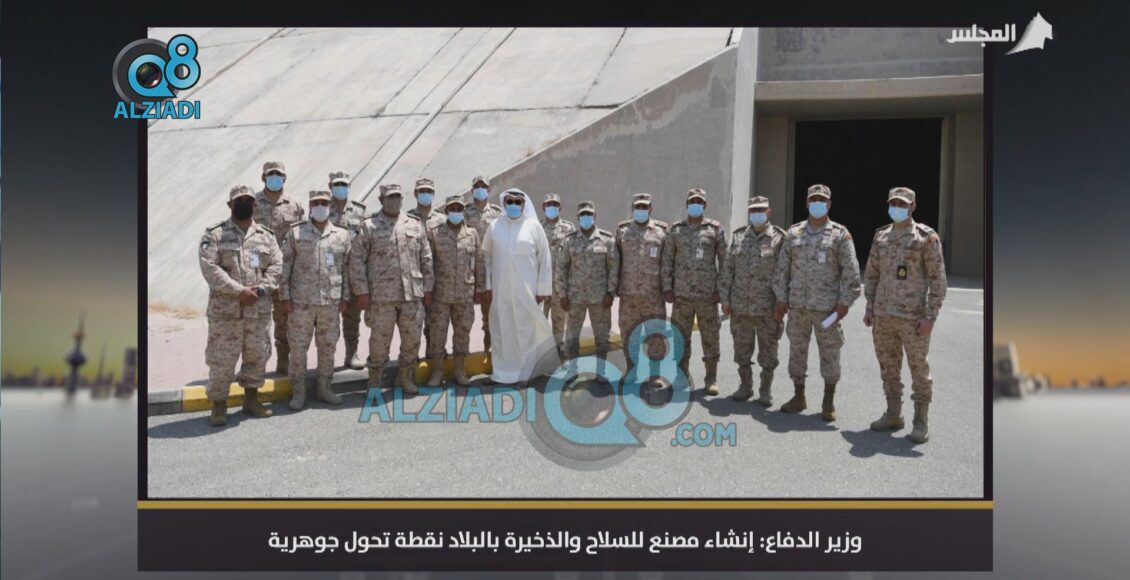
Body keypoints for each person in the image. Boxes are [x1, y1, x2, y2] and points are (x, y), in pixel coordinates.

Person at [863, 187, 947, 443]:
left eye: (902, 204)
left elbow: (938, 280)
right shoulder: (881, 236)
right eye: (894, 203)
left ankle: (920, 421)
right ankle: (893, 414)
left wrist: (930, 316)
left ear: (912, 207)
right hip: (883, 315)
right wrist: (869, 306)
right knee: (888, 367)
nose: (897, 207)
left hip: (913, 318)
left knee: (919, 369)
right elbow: (872, 273)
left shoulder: (926, 238)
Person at [773, 184, 862, 421]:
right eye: (813, 199)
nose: (817, 203)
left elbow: (852, 274)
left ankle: (828, 401)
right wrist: (781, 297)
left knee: (830, 353)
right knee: (797, 352)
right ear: (806, 203)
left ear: (829, 204)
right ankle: (798, 396)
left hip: (828, 311)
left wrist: (843, 305)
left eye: (822, 199)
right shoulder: (793, 233)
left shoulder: (840, 234)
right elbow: (782, 270)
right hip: (798, 308)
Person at [198, 185, 282, 427]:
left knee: (257, 355)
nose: (244, 204)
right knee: (221, 360)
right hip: (226, 313)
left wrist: (262, 288)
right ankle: (219, 405)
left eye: (248, 200)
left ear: (255, 205)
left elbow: (277, 264)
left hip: (257, 311)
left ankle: (251, 401)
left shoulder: (266, 236)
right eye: (239, 201)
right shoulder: (214, 234)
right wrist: (239, 291)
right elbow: (210, 268)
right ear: (230, 205)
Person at [349, 184, 434, 395]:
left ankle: (405, 378)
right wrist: (362, 292)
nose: (394, 201)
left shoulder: (414, 224)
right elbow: (357, 260)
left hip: (411, 295)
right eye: (389, 197)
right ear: (381, 200)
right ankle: (375, 381)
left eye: (397, 197)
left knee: (412, 339)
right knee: (379, 342)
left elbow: (426, 257)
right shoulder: (369, 226)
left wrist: (428, 288)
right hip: (381, 297)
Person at [280, 190, 352, 410]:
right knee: (298, 347)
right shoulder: (296, 232)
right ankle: (298, 390)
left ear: (330, 206)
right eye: (316, 203)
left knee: (327, 346)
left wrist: (345, 296)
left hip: (330, 302)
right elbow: (285, 266)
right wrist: (284, 295)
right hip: (301, 302)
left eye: (324, 203)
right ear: (310, 206)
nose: (320, 206)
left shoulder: (341, 235)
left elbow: (346, 268)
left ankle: (324, 387)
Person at [481, 188, 555, 385]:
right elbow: (486, 257)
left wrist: (542, 289)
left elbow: (544, 258)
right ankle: (501, 373)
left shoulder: (533, 226)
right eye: (510, 201)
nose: (513, 205)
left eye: (517, 202)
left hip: (527, 291)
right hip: (501, 290)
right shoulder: (494, 226)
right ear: (504, 204)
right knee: (502, 331)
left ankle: (526, 373)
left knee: (525, 331)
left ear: (524, 204)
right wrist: (488, 285)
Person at [720, 196, 786, 405]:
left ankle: (765, 390)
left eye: (761, 210)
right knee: (742, 350)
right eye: (753, 210)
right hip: (740, 306)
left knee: (769, 352)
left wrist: (782, 301)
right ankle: (745, 386)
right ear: (749, 212)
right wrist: (725, 299)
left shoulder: (779, 238)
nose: (757, 213)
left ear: (769, 212)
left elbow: (785, 272)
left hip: (768, 308)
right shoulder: (739, 236)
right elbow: (728, 270)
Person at [662, 188, 726, 395]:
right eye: (692, 201)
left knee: (711, 338)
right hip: (681, 296)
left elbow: (725, 261)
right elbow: (667, 260)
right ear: (687, 204)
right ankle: (681, 377)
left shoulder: (714, 229)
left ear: (704, 205)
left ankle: (711, 378)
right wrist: (667, 288)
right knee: (680, 338)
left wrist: (721, 289)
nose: (695, 205)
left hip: (708, 296)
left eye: (699, 202)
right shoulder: (676, 230)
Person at [251, 161, 306, 374]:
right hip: (260, 273)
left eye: (278, 174)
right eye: (270, 174)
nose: (274, 177)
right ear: (263, 177)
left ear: (284, 178)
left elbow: (300, 238)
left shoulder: (294, 205)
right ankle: (255, 365)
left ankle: (284, 360)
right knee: (257, 322)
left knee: (284, 320)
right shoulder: (252, 203)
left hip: (285, 273)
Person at [425, 194, 485, 387]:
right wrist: (427, 290)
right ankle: (437, 372)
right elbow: (428, 263)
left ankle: (459, 371)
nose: (456, 212)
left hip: (464, 295)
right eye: (453, 209)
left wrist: (479, 288)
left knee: (462, 333)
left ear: (463, 211)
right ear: (446, 211)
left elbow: (479, 263)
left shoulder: (472, 234)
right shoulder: (435, 233)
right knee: (437, 334)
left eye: (459, 209)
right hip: (440, 295)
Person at [556, 201, 619, 370]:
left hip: (600, 298)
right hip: (575, 298)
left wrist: (610, 293)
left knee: (602, 337)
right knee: (572, 337)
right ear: (578, 218)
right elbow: (562, 268)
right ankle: (572, 370)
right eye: (582, 214)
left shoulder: (606, 239)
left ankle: (601, 370)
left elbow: (613, 267)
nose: (586, 217)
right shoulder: (569, 241)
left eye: (589, 214)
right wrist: (562, 294)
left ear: (595, 216)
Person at [615, 193, 668, 383]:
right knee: (629, 334)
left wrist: (667, 288)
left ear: (651, 209)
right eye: (638, 207)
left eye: (644, 207)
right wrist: (613, 287)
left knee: (656, 334)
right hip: (629, 295)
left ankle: (655, 374)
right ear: (633, 208)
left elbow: (667, 263)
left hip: (653, 295)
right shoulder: (622, 231)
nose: (641, 210)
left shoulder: (662, 232)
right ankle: (632, 370)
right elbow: (616, 261)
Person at [327, 170, 368, 370]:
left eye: (344, 184)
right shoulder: (322, 208)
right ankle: (326, 360)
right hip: (330, 271)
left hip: (352, 272)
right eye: (337, 184)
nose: (340, 188)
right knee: (327, 319)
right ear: (330, 187)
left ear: (349, 186)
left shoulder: (359, 210)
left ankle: (352, 353)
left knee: (352, 318)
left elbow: (365, 241)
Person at [464, 175, 503, 351]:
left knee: (491, 310)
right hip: (469, 268)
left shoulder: (497, 213)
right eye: (477, 187)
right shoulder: (464, 212)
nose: (480, 189)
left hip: (491, 269)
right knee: (465, 312)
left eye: (483, 186)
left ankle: (490, 344)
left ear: (489, 189)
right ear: (472, 190)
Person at [408, 178, 446, 356]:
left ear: (433, 194)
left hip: (437, 276)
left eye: (428, 191)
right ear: (415, 194)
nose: (425, 194)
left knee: (435, 319)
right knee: (413, 320)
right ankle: (412, 354)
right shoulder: (407, 218)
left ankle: (434, 351)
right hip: (413, 276)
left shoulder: (442, 219)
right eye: (422, 191)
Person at [540, 193, 577, 358]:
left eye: (555, 204)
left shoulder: (568, 228)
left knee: (559, 321)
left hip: (560, 284)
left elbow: (574, 255)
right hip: (541, 284)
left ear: (560, 207)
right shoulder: (537, 227)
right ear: (543, 207)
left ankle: (559, 352)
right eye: (549, 204)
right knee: (539, 322)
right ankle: (542, 354)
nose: (552, 207)